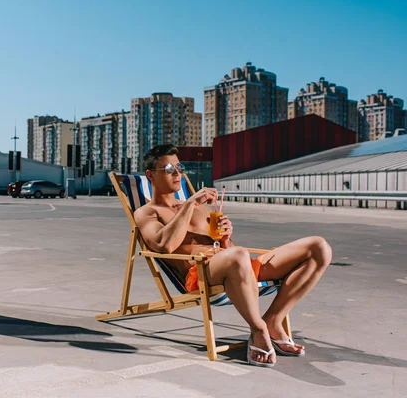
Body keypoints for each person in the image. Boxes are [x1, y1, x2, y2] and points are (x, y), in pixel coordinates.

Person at [134, 144, 332, 367]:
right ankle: (258, 330)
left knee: (319, 247)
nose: (178, 174)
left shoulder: (200, 209)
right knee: (239, 255)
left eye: (180, 168)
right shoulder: (146, 213)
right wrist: (189, 203)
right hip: (199, 274)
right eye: (169, 169)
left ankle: (272, 320)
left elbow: (229, 250)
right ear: (150, 175)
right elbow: (164, 245)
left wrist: (227, 237)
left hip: (236, 267)